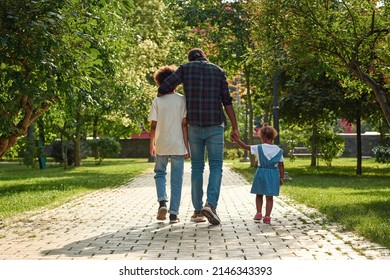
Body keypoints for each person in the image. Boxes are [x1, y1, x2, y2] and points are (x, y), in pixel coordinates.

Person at [158, 48, 239, 225]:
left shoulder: (185, 68)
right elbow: (227, 101)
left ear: (190, 58)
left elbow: (165, 86)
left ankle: (197, 211)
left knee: (197, 167)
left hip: (194, 125)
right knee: (216, 166)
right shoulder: (218, 71)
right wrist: (235, 126)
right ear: (204, 57)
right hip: (216, 125)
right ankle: (210, 205)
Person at [148, 65, 190, 224]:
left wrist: (151, 144)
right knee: (177, 179)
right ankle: (173, 214)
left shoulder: (157, 101)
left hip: (162, 145)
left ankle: (162, 203)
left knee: (159, 173)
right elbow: (184, 125)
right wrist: (187, 147)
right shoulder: (182, 100)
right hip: (178, 145)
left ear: (158, 82)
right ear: (176, 83)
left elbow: (153, 127)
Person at [232, 124, 284, 224]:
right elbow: (281, 165)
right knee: (270, 197)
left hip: (261, 173)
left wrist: (237, 139)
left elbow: (245, 147)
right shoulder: (279, 150)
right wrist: (281, 178)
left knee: (259, 194)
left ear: (263, 137)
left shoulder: (259, 147)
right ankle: (267, 216)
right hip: (273, 174)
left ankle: (258, 213)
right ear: (272, 137)